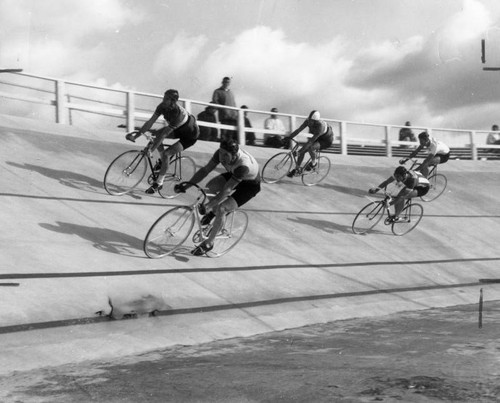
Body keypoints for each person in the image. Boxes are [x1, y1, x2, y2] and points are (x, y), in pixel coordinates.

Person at [174, 139, 261, 256]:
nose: (222, 157)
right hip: (235, 174)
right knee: (210, 187)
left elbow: (227, 189)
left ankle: (209, 243)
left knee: (222, 209)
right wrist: (187, 185)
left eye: (225, 155)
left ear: (234, 155)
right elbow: (205, 170)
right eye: (221, 152)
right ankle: (213, 213)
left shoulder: (243, 166)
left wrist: (209, 206)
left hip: (249, 185)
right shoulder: (220, 154)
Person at [126, 89, 199, 194]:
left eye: (166, 99)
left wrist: (151, 150)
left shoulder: (178, 115)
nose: (163, 100)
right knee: (155, 135)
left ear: (173, 101)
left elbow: (164, 135)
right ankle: (163, 162)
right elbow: (150, 122)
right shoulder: (162, 107)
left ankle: (159, 183)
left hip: (190, 136)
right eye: (164, 97)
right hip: (179, 129)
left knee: (166, 153)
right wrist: (136, 136)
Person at [285, 110, 334, 177]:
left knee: (311, 148)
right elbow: (298, 130)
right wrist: (289, 137)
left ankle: (314, 163)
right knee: (302, 151)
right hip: (318, 136)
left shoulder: (320, 126)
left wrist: (299, 152)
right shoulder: (308, 121)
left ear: (316, 122)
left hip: (326, 140)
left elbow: (310, 142)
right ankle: (297, 169)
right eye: (309, 120)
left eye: (311, 121)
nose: (309, 122)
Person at [212, 77, 237, 141]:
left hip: (233, 116)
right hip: (224, 116)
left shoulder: (231, 92)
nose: (226, 83)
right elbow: (215, 101)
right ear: (222, 82)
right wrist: (223, 109)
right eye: (225, 82)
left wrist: (236, 113)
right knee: (224, 133)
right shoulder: (217, 91)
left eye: (228, 82)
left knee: (231, 134)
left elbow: (234, 103)